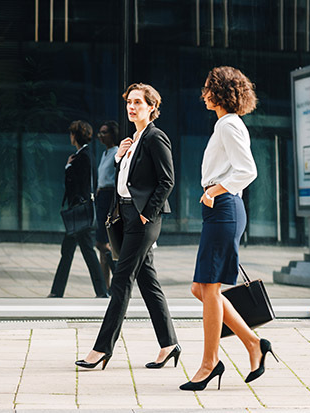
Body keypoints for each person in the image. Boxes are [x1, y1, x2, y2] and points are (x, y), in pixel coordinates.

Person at [180, 67, 275, 391]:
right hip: (219, 211)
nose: (203, 94)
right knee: (201, 289)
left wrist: (214, 191)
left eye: (208, 88)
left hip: (223, 209)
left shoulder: (229, 124)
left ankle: (210, 363)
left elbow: (247, 170)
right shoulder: (225, 124)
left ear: (219, 92)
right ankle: (253, 343)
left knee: (208, 288)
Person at [75, 83, 180, 370]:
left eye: (138, 102)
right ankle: (169, 344)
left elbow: (167, 180)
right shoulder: (133, 140)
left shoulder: (156, 137)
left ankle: (101, 349)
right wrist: (121, 158)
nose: (131, 107)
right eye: (129, 102)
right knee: (148, 283)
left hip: (143, 220)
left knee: (121, 280)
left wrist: (148, 214)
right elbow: (128, 183)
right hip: (127, 217)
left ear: (151, 107)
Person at [48, 121, 109, 298]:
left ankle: (101, 291)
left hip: (79, 213)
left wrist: (68, 168)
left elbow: (74, 184)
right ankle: (58, 292)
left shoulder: (81, 157)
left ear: (75, 136)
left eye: (71, 134)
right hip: (81, 212)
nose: (70, 137)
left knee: (82, 252)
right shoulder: (87, 154)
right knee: (69, 252)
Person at [95, 121, 120, 288]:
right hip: (101, 195)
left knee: (102, 243)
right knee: (102, 246)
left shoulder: (117, 153)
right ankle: (105, 286)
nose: (101, 135)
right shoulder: (105, 153)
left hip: (109, 196)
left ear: (113, 134)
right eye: (100, 132)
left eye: (105, 132)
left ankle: (118, 277)